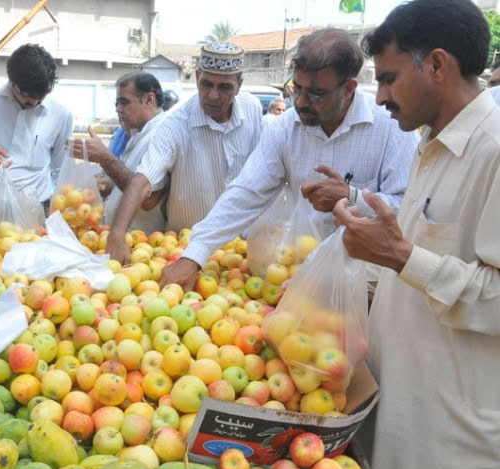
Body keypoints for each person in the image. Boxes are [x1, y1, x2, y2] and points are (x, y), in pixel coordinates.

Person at [332, 0, 500, 469]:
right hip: (396, 416)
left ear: (438, 65)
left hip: (450, 444)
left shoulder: (494, 152)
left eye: (388, 78)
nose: (379, 95)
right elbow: (409, 268)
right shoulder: (429, 144)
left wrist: (402, 257)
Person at [160, 28, 417, 291]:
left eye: (316, 94)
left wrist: (352, 197)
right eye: (297, 88)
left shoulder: (392, 129)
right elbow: (245, 193)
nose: (302, 102)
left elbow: (411, 209)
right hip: (296, 278)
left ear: (349, 88)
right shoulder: (284, 129)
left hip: (364, 285)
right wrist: (195, 255)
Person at [106, 42, 264, 263]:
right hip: (184, 250)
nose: (213, 95)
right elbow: (142, 181)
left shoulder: (252, 109)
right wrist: (116, 233)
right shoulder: (175, 124)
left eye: (225, 87)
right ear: (197, 76)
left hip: (241, 250)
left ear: (239, 85)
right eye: (206, 84)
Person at [0, 43, 73, 234]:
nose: (33, 101)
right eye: (26, 95)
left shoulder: (60, 115)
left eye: (39, 96)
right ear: (12, 82)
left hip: (32, 215)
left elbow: (60, 171)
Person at [71, 72, 168, 233]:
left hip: (143, 246)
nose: (118, 109)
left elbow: (148, 199)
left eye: (124, 102)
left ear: (149, 100)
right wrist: (104, 185)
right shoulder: (139, 133)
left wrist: (105, 158)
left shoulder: (162, 134)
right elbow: (129, 177)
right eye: (117, 103)